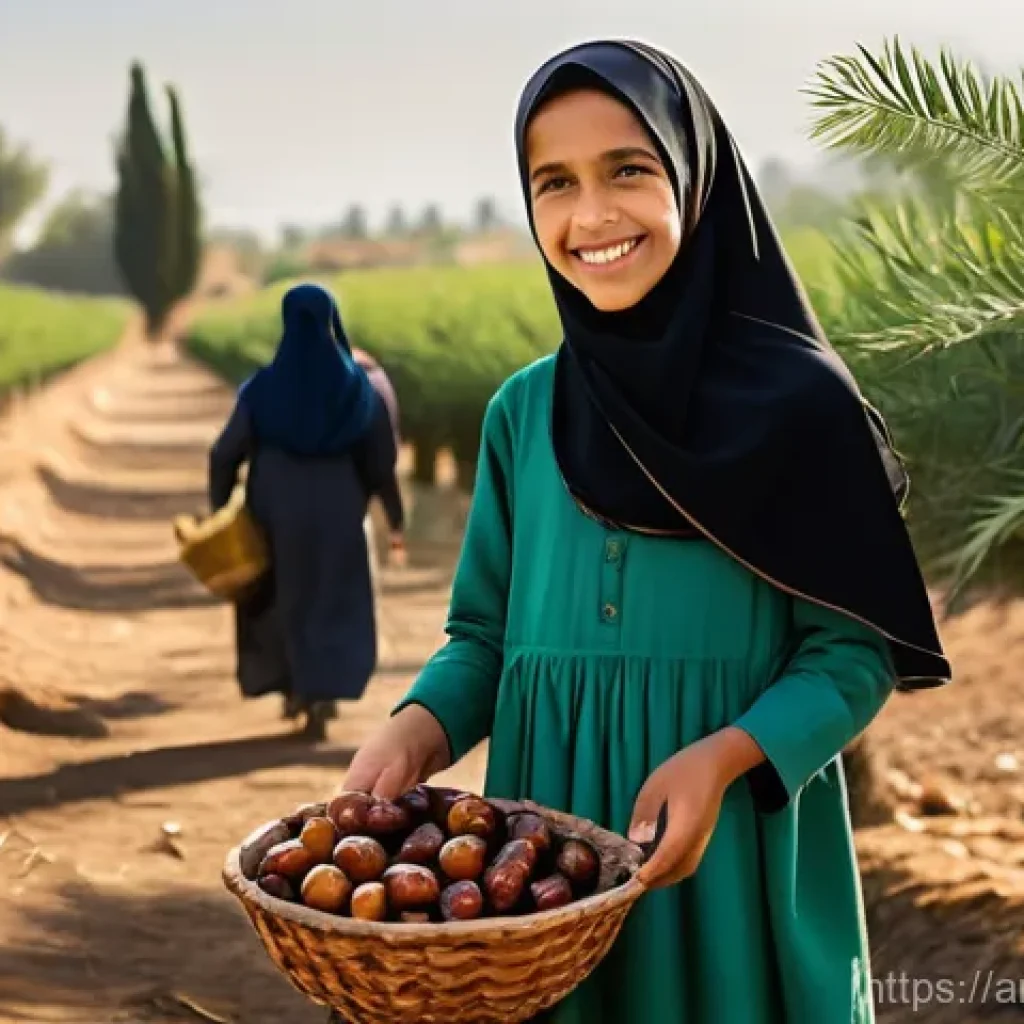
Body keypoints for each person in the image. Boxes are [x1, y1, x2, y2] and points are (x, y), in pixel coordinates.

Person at [340, 40, 951, 1022]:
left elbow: (851, 652)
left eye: (628, 169)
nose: (591, 216)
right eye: (553, 183)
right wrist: (420, 725)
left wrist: (726, 756)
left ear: (695, 175)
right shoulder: (522, 412)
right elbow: (485, 638)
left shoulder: (802, 411)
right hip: (546, 882)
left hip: (728, 865)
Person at [208, 282, 405, 741]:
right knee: (334, 598)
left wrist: (221, 509)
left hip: (276, 511)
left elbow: (225, 453)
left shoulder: (262, 389)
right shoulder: (359, 392)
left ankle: (294, 687)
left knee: (281, 598)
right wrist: (394, 518)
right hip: (340, 513)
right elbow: (381, 463)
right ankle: (325, 692)